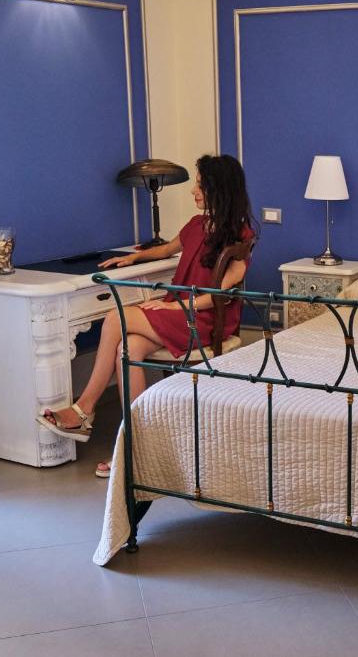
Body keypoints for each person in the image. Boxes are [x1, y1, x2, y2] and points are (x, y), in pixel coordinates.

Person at [38, 154, 256, 477]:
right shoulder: (197, 226)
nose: (194, 191)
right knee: (128, 350)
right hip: (180, 312)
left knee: (115, 319)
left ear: (219, 189)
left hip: (203, 321)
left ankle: (84, 409)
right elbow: (165, 250)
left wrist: (175, 306)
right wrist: (131, 260)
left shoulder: (240, 237)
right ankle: (138, 450)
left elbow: (220, 295)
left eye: (200, 185)